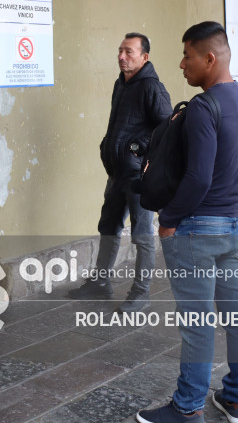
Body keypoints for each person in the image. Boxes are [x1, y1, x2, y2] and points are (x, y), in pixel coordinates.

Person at [138, 22, 238, 423]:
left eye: (187, 56)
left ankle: (187, 407)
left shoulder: (203, 108)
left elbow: (198, 178)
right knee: (236, 315)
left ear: (210, 58)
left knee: (197, 324)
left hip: (195, 230)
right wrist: (229, 203)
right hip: (233, 225)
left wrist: (169, 220)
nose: (181, 64)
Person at [69, 33, 171, 312]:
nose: (121, 56)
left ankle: (141, 293)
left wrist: (138, 149)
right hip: (116, 172)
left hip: (138, 176)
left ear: (144, 57)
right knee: (108, 227)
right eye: (120, 51)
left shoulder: (152, 87)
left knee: (142, 235)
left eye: (129, 52)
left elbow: (167, 131)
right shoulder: (121, 83)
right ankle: (101, 283)